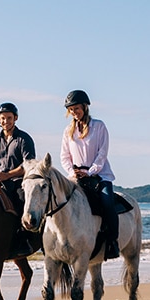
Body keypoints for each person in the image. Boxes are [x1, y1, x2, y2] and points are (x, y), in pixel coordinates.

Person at [60, 89, 120, 259]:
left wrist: (90, 171)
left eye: (77, 109)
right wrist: (72, 172)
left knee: (107, 202)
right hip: (76, 176)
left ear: (85, 107)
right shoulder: (68, 131)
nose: (74, 112)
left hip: (100, 176)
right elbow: (64, 156)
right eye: (71, 110)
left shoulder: (99, 126)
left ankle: (112, 242)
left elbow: (102, 153)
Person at [0, 102, 36, 255]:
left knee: (21, 203)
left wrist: (7, 175)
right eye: (3, 118)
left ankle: (23, 240)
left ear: (15, 118)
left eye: (9, 118)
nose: (6, 121)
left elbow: (28, 165)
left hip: (18, 182)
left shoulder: (24, 139)